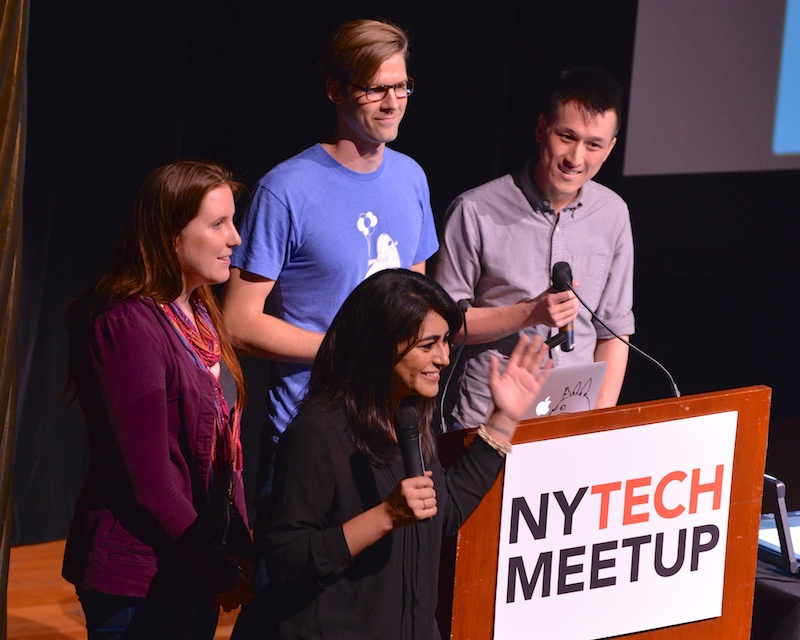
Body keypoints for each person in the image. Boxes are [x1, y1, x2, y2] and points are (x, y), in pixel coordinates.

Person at [222, 17, 437, 585]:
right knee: (291, 606)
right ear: (335, 89)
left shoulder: (411, 178)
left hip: (392, 433)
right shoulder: (287, 188)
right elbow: (238, 322)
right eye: (374, 88)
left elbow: (415, 307)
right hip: (312, 436)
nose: (393, 102)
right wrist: (348, 353)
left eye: (402, 86)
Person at [259, 269, 551, 639]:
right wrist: (385, 515)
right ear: (379, 347)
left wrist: (504, 419)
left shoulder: (409, 420)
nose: (444, 358)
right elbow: (287, 561)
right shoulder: (317, 433)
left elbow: (442, 515)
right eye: (428, 345)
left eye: (446, 341)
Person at [62, 160, 254, 639]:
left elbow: (223, 452)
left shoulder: (199, 310)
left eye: (233, 221)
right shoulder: (128, 325)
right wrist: (221, 569)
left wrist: (240, 545)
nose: (235, 238)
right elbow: (151, 483)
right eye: (218, 224)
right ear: (170, 234)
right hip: (139, 573)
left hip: (192, 561)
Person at [433, 67, 634, 429]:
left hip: (574, 420)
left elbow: (614, 332)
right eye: (567, 136)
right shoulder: (475, 210)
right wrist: (530, 313)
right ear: (542, 129)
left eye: (593, 144)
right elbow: (447, 325)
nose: (576, 157)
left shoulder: (613, 214)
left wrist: (598, 422)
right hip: (486, 420)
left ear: (610, 148)